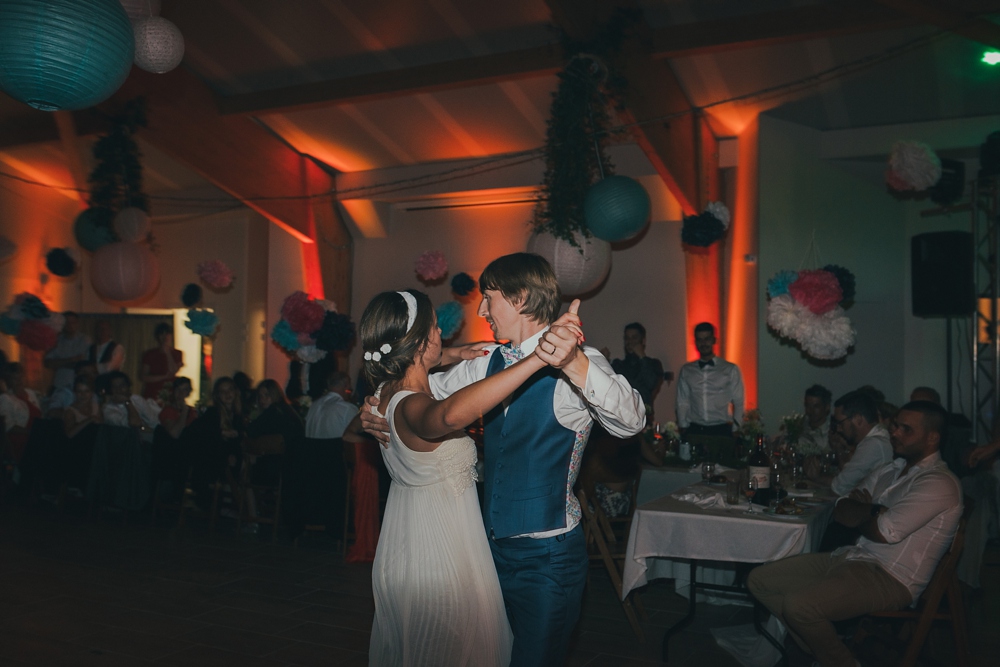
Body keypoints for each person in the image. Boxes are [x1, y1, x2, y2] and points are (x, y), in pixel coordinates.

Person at [362, 254, 645, 666]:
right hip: (485, 553)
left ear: (520, 298)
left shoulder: (581, 362)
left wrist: (573, 361)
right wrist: (374, 405)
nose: (481, 311)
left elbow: (632, 423)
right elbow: (419, 389)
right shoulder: (487, 362)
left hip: (547, 558)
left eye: (488, 298)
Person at [748, 401, 962, 667]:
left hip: (890, 577)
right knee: (760, 581)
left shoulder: (939, 482)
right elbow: (841, 507)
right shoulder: (891, 469)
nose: (895, 433)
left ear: (932, 438)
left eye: (906, 429)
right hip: (852, 556)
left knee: (798, 607)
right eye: (895, 426)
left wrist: (863, 512)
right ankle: (820, 649)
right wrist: (873, 511)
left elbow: (884, 532)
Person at [807, 390, 892, 496]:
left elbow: (840, 486)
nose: (839, 429)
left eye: (841, 423)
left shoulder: (873, 444)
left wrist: (817, 477)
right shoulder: (880, 438)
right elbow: (849, 476)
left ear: (858, 419)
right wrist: (839, 449)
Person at [676, 322, 744, 437]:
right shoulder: (686, 370)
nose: (703, 343)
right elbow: (682, 401)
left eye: (707, 339)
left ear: (714, 340)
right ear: (695, 342)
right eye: (700, 340)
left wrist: (736, 428)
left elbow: (738, 402)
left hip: (722, 428)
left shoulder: (730, 369)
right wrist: (682, 425)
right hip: (695, 428)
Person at [189, 377, 245, 511]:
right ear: (218, 395)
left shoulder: (238, 416)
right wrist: (222, 433)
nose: (227, 394)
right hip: (211, 461)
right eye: (223, 391)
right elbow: (201, 432)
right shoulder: (213, 412)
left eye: (230, 390)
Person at [610, 322, 664, 410]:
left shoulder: (653, 364)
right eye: (627, 338)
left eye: (634, 338)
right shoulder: (618, 365)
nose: (630, 342)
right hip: (621, 414)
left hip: (644, 414)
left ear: (643, 341)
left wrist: (642, 357)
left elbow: (651, 384)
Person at [0, 362, 42, 463]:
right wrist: (31, 432)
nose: (19, 381)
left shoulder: (31, 393)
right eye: (15, 378)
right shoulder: (6, 399)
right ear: (9, 381)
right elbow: (9, 426)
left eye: (21, 377)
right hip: (20, 441)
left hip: (36, 438)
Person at [43, 312, 91, 392]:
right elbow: (48, 363)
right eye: (67, 323)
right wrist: (71, 360)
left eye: (73, 322)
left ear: (77, 324)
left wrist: (60, 363)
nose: (70, 325)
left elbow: (85, 365)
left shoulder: (85, 340)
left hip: (79, 387)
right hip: (60, 386)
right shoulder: (57, 341)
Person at [304, 371, 357, 439]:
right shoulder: (347, 408)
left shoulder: (313, 406)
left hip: (311, 445)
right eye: (350, 388)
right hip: (337, 445)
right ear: (346, 386)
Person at [139, 323, 183, 399]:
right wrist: (163, 377)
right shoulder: (150, 354)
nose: (165, 336)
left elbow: (173, 371)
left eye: (167, 334)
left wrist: (168, 353)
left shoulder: (177, 353)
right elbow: (144, 377)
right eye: (162, 334)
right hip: (152, 392)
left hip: (169, 391)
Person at [89, 320, 125, 393]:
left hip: (110, 384)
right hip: (93, 385)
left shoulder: (117, 347)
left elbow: (109, 367)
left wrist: (92, 368)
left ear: (110, 331)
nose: (102, 331)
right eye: (99, 329)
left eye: (104, 329)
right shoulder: (92, 348)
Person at [799, 384, 832, 454]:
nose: (811, 410)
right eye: (808, 406)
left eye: (816, 406)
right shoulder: (798, 428)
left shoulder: (833, 431)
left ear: (827, 407)